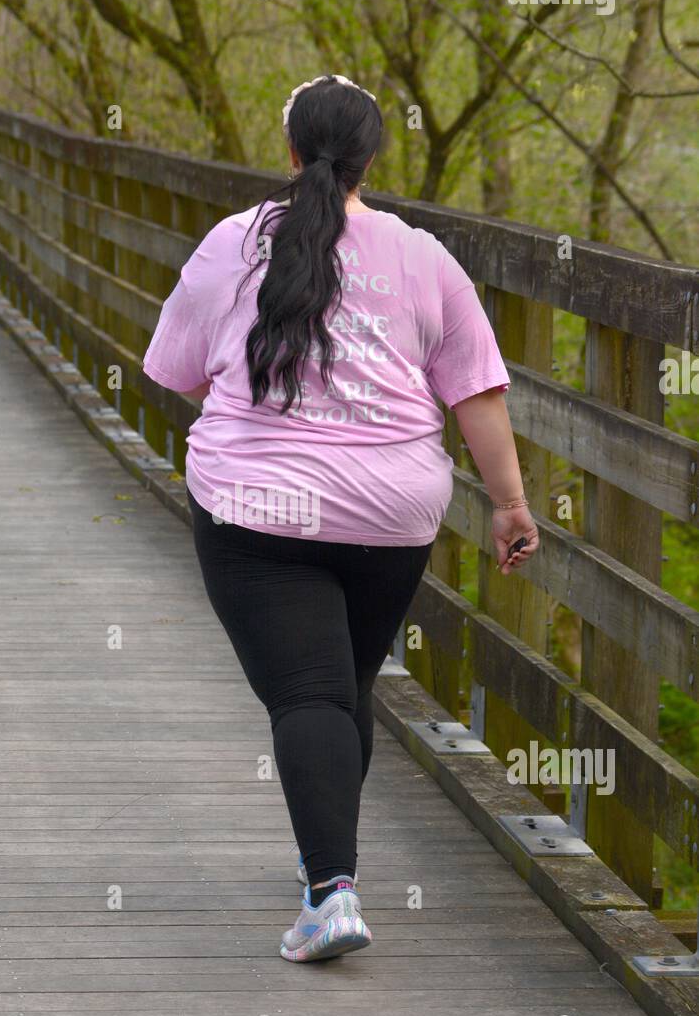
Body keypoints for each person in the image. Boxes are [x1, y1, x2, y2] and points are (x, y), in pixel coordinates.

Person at [143, 73, 539, 962]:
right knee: (342, 685)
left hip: (257, 509)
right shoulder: (423, 255)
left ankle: (331, 893)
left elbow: (175, 369)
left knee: (308, 692)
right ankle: (325, 863)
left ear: (289, 150)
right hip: (394, 514)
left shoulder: (236, 243)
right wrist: (510, 504)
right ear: (372, 156)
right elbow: (474, 390)